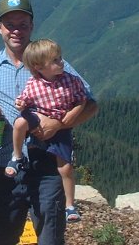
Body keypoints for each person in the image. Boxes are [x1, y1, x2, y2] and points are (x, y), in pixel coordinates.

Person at [0, 0, 98, 245]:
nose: (16, 31)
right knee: (0, 235)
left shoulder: (55, 64)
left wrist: (60, 124)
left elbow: (90, 104)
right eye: (10, 25)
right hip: (6, 163)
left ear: (32, 26)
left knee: (49, 236)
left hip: (47, 165)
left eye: (22, 24)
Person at [7, 38, 87, 223]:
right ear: (39, 67)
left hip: (61, 126)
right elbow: (24, 100)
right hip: (39, 119)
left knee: (65, 167)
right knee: (19, 123)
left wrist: (73, 114)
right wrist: (20, 104)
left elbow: (82, 99)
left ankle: (70, 206)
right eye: (55, 60)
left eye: (60, 58)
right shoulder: (33, 84)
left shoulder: (71, 80)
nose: (61, 62)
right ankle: (17, 156)